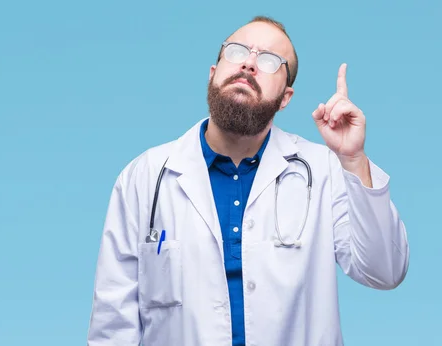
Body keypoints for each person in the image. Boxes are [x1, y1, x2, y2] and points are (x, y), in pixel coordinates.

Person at [86, 15, 409, 346]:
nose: (250, 64)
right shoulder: (145, 177)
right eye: (237, 52)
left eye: (270, 61)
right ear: (213, 74)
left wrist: (353, 160)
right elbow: (113, 324)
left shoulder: (323, 170)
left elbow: (384, 272)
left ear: (286, 97)